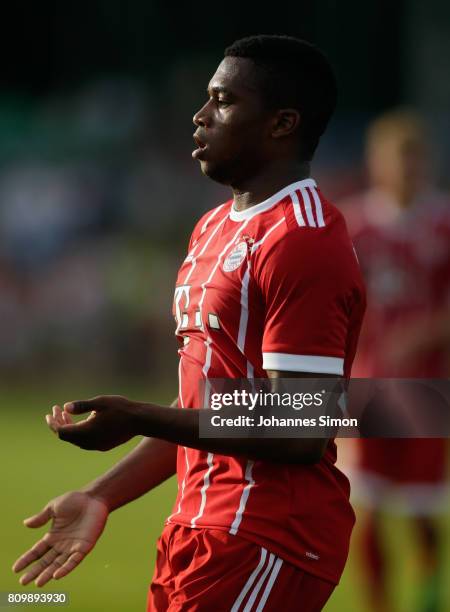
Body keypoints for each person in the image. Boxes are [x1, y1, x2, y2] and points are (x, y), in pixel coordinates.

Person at [13, 35, 366, 611]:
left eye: (223, 101)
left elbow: (301, 424)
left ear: (282, 123)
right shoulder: (212, 227)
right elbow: (205, 410)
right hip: (199, 530)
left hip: (267, 536)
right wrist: (101, 496)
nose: (201, 117)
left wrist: (135, 416)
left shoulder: (302, 239)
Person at [340, 110, 450, 612]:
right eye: (395, 158)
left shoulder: (444, 223)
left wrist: (424, 333)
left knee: (423, 505)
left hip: (428, 387)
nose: (405, 169)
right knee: (369, 504)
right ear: (377, 164)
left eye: (413, 158)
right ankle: (379, 605)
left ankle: (427, 595)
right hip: (368, 386)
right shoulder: (353, 226)